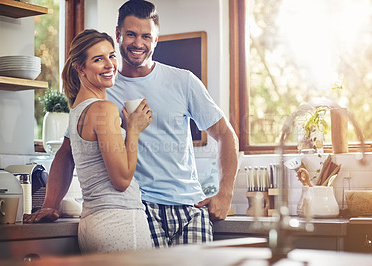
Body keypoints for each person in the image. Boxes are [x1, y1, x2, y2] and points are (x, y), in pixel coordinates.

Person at [24, 0, 239, 248]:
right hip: (139, 210)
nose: (138, 43)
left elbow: (225, 134)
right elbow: (67, 152)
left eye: (146, 36)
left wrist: (225, 193)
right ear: (118, 35)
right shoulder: (102, 89)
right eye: (131, 35)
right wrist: (50, 203)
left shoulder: (183, 81)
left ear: (156, 39)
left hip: (190, 207)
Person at [60, 29, 153, 253]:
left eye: (111, 55)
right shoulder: (104, 109)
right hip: (119, 222)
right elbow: (121, 180)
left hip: (93, 224)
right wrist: (133, 129)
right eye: (98, 59)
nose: (110, 64)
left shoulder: (77, 112)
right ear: (80, 68)